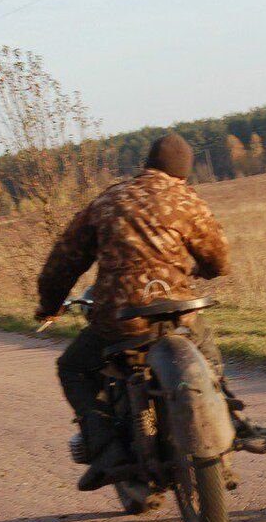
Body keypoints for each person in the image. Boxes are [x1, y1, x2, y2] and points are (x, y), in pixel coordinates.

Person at [35, 133, 230, 491]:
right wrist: (205, 270)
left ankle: (106, 447)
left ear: (147, 165)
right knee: (208, 355)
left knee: (73, 368)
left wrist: (49, 306)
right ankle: (226, 417)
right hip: (177, 312)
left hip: (119, 318)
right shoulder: (186, 200)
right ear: (182, 174)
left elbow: (63, 261)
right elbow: (218, 257)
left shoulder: (109, 200)